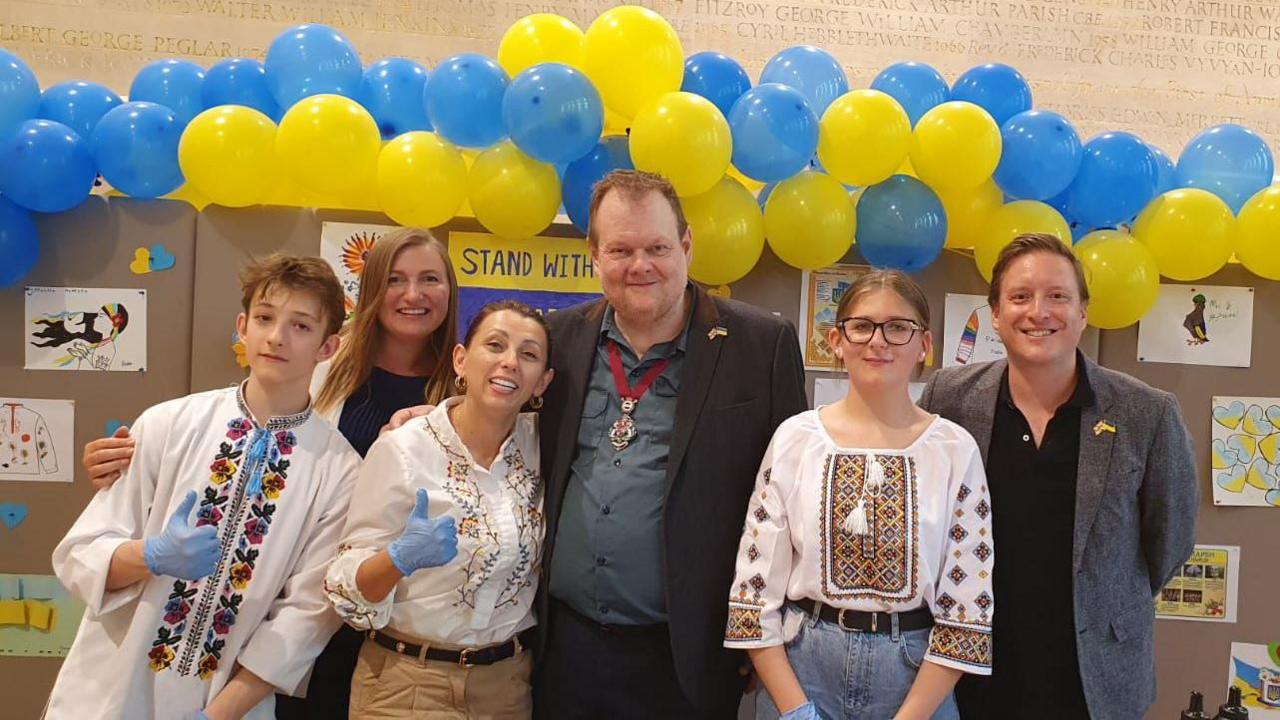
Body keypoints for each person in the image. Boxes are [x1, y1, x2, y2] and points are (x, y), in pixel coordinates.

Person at [78, 227, 462, 719]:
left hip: (387, 624)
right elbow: (249, 421)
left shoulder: (465, 387)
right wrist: (138, 481)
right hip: (278, 627)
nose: (413, 294)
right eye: (394, 278)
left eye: (430, 278)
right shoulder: (319, 369)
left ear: (450, 290)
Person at [532, 169, 808, 718]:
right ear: (593, 254)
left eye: (658, 247)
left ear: (686, 245)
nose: (640, 266)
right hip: (562, 651)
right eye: (621, 249)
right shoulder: (556, 339)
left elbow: (792, 501)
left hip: (691, 656)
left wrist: (764, 637)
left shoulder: (761, 344)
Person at [46, 255, 361, 719]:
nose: (276, 336)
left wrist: (217, 716)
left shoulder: (340, 471)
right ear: (242, 326)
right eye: (265, 318)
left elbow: (304, 618)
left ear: (327, 346)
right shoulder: (168, 423)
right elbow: (81, 553)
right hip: (108, 689)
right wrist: (149, 554)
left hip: (226, 704)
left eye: (300, 326)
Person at [919, 234, 1199, 720]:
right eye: (1020, 297)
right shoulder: (949, 398)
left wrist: (1105, 598)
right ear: (996, 315)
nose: (1038, 312)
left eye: (1058, 296)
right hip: (968, 664)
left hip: (1093, 674)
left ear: (1083, 312)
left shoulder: (1145, 413)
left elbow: (1169, 543)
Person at [727, 270, 993, 720]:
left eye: (898, 327)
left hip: (914, 677)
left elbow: (967, 606)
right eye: (861, 325)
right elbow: (753, 594)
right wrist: (796, 711)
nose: (878, 341)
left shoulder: (953, 449)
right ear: (836, 339)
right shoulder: (795, 439)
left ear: (924, 344)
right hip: (802, 666)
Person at [324, 300, 554, 718]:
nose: (510, 363)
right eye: (495, 345)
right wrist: (397, 560)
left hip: (506, 688)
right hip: (407, 684)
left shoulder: (541, 447)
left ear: (543, 382)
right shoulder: (405, 449)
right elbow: (344, 588)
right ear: (461, 360)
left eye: (529, 354)